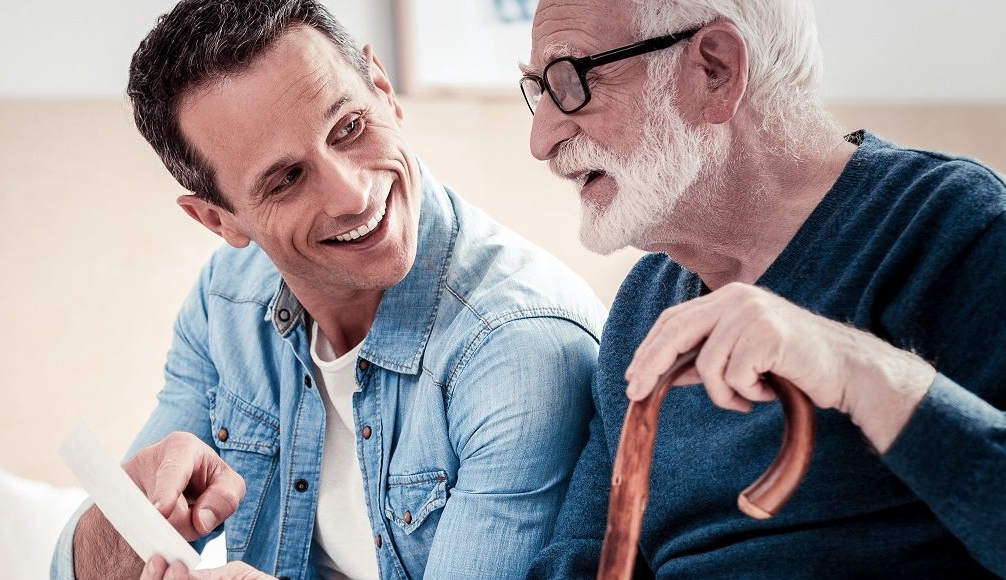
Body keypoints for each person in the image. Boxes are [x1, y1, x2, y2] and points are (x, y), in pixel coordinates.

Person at [519, 0, 1006, 577]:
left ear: (715, 69)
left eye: (572, 81)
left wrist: (857, 368)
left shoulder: (960, 229)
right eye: (536, 91)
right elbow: (584, 557)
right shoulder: (643, 304)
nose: (541, 140)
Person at [51, 1, 608, 579]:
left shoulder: (517, 349)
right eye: (287, 179)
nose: (352, 195)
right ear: (219, 221)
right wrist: (129, 517)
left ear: (383, 89)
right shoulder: (229, 301)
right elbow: (68, 569)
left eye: (349, 127)